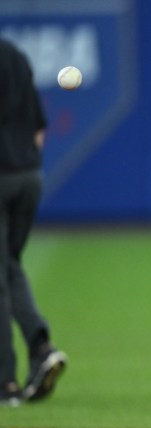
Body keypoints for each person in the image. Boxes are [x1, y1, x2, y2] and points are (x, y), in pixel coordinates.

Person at [0, 38, 69, 407]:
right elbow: (39, 131)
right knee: (9, 266)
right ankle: (41, 349)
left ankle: (5, 381)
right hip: (28, 176)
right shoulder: (14, 55)